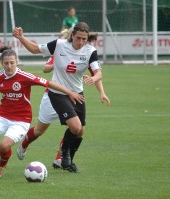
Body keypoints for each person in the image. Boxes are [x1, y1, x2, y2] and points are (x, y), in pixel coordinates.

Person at [0, 46, 84, 180]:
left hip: (21, 119)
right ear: (2, 63)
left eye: (12, 62)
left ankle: (1, 167)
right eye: (6, 63)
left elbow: (48, 83)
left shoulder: (25, 76)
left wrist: (69, 93)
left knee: (4, 146)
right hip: (2, 115)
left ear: (17, 62)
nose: (9, 66)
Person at [13, 22, 109, 172]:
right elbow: (35, 49)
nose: (81, 42)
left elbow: (98, 73)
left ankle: (67, 161)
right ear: (72, 35)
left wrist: (95, 81)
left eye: (84, 39)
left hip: (76, 94)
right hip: (57, 93)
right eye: (78, 38)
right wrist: (21, 38)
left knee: (80, 131)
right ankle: (40, 149)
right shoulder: (59, 45)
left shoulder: (90, 51)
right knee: (43, 130)